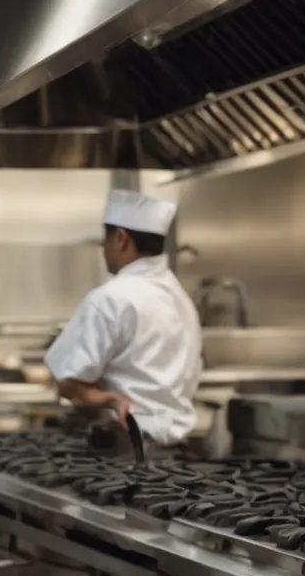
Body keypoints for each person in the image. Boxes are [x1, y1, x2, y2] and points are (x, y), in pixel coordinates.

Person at [44, 189, 203, 445]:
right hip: (179, 452)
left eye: (104, 240)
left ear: (121, 238)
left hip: (126, 448)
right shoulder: (181, 299)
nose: (103, 249)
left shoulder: (109, 298)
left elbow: (67, 381)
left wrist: (107, 398)